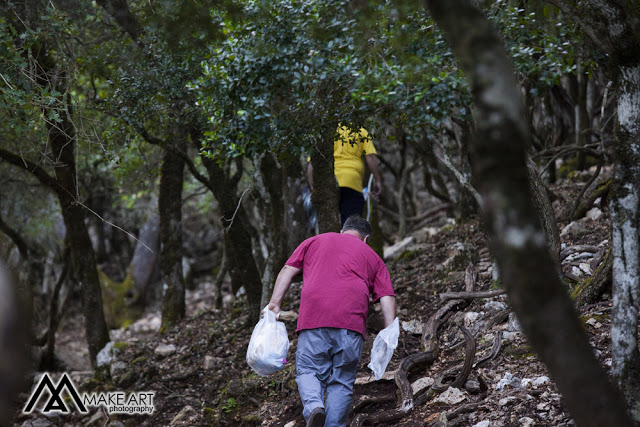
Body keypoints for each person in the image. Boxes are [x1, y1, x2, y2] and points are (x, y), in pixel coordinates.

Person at [267, 215, 396, 427]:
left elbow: (287, 270)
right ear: (366, 239)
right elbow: (386, 296)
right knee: (342, 381)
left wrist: (275, 303)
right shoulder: (372, 256)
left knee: (309, 371)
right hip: (351, 324)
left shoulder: (314, 241)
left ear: (343, 230)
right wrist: (389, 330)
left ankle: (315, 407)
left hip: (314, 318)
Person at [307, 125, 383, 225]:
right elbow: (371, 157)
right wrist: (377, 180)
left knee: (329, 225)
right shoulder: (360, 131)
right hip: (352, 182)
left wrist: (313, 186)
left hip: (329, 183)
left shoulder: (325, 132)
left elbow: (312, 162)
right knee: (351, 226)